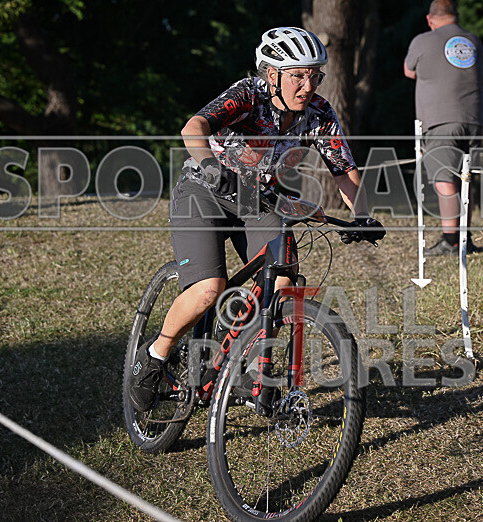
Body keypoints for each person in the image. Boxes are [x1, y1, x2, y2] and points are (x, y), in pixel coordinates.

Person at [128, 27, 385, 412]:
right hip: (205, 189)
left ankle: (241, 362)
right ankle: (154, 356)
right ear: (272, 75)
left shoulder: (319, 113)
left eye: (314, 75)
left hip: (254, 198)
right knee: (207, 290)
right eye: (297, 75)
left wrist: (361, 215)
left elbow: (343, 170)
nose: (308, 84)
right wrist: (211, 165)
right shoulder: (248, 94)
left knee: (282, 279)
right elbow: (193, 128)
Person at [404, 0, 483, 256]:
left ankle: (451, 240)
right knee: (466, 179)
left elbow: (409, 71)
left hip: (441, 118)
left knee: (443, 179)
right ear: (455, 16)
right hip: (474, 118)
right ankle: (465, 238)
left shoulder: (422, 40)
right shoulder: (473, 40)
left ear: (430, 19)